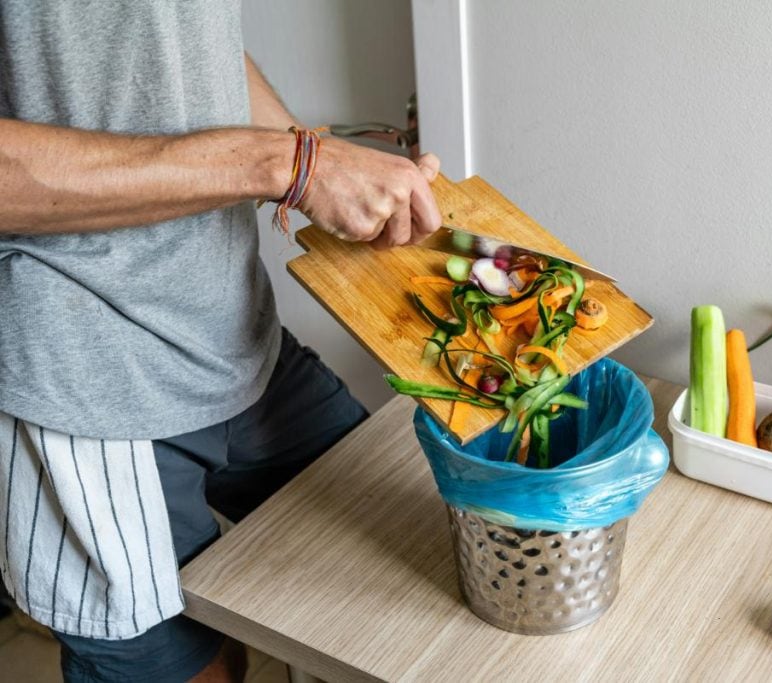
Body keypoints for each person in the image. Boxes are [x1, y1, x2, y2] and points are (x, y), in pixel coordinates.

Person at [0, 2, 442, 681]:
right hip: (86, 379)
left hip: (238, 334)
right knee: (204, 671)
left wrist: (318, 159)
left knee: (406, 587)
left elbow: (181, 48)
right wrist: (289, 164)